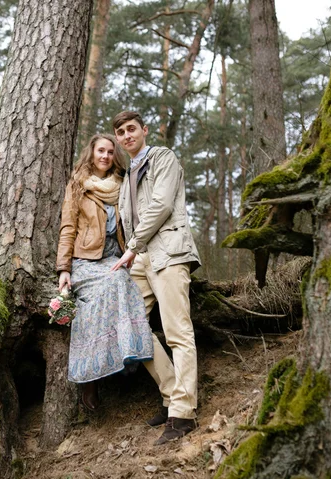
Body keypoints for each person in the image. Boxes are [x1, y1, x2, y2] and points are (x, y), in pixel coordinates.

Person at [111, 111, 201, 445]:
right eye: (120, 132)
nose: (126, 136)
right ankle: (172, 394)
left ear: (144, 131)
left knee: (178, 332)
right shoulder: (127, 175)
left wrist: (132, 247)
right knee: (133, 326)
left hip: (169, 251)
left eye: (131, 129)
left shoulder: (163, 157)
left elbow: (161, 204)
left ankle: (183, 413)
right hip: (141, 258)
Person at [56, 133, 154, 411]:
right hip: (85, 261)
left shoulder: (123, 186)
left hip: (115, 258)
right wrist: (64, 269)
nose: (105, 156)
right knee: (100, 296)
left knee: (122, 281)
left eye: (111, 152)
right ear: (92, 152)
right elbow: (68, 228)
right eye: (101, 151)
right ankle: (90, 380)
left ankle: (125, 358)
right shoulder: (78, 186)